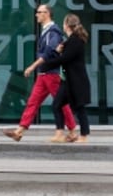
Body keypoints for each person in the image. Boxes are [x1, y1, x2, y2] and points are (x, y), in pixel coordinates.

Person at [3, 4, 76, 142]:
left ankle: (72, 130)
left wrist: (32, 67)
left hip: (51, 74)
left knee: (60, 103)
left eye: (39, 12)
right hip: (44, 74)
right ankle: (20, 131)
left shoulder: (53, 32)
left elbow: (49, 52)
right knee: (33, 102)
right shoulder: (46, 31)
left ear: (47, 14)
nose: (36, 15)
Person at [28, 13, 92, 143]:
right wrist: (59, 51)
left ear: (67, 25)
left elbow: (65, 59)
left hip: (77, 82)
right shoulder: (70, 41)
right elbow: (64, 56)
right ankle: (60, 133)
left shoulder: (76, 41)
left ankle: (84, 136)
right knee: (57, 105)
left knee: (80, 108)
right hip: (67, 81)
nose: (62, 25)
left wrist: (49, 62)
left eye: (64, 23)